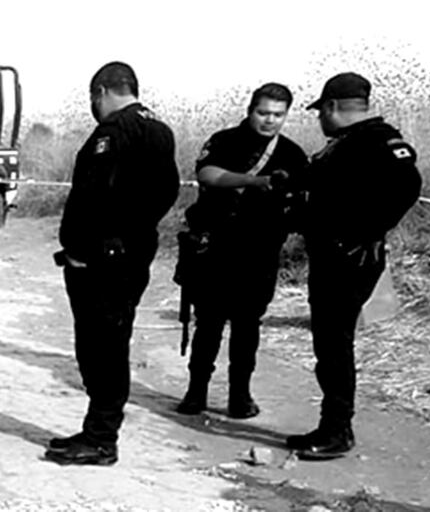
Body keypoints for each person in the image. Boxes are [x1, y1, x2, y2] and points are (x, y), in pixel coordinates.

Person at [45, 61, 180, 466]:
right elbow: (168, 191)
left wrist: (86, 248)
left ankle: (102, 438)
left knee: (101, 346)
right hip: (132, 254)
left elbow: (93, 197)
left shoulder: (114, 131)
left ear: (101, 92)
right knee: (108, 341)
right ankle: (97, 430)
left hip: (102, 261)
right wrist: (135, 232)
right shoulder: (160, 130)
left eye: (93, 99)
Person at [287, 72, 421, 459]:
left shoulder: (376, 141)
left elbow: (407, 186)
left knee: (334, 343)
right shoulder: (346, 145)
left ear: (331, 107)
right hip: (334, 254)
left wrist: (366, 232)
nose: (320, 120)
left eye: (321, 112)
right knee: (328, 341)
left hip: (348, 258)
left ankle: (337, 431)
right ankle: (332, 425)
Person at [174, 83, 309, 419]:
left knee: (248, 324)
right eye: (263, 112)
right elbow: (207, 173)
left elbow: (302, 197)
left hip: (260, 249)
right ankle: (196, 392)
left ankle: (240, 395)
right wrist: (257, 182)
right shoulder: (225, 141)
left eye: (278, 114)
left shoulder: (292, 153)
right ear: (250, 110)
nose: (270, 120)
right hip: (216, 246)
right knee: (208, 321)